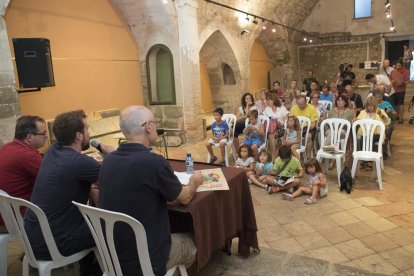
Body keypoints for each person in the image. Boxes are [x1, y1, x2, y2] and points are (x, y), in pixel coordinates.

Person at [99, 106, 203, 275]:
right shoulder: (154, 162)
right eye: (155, 122)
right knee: (195, 237)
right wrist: (194, 182)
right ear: (148, 127)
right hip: (147, 258)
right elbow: (183, 198)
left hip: (113, 254)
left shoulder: (108, 161)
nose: (156, 126)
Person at [25, 110, 114, 275]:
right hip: (56, 244)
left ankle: (89, 269)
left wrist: (92, 186)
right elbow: (116, 185)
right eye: (87, 129)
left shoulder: (52, 151)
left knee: (89, 220)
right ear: (79, 136)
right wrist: (112, 159)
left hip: (33, 239)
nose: (89, 133)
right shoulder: (80, 163)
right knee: (115, 226)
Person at [0, 115, 47, 232]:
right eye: (43, 133)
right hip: (17, 218)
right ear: (30, 137)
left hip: (5, 214)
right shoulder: (27, 156)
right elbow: (54, 177)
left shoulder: (7, 148)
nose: (46, 136)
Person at [355, 97, 390, 170]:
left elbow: (387, 122)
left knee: (368, 138)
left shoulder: (380, 112)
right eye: (368, 105)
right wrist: (355, 120)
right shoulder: (363, 112)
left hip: (377, 134)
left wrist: (381, 115)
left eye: (372, 105)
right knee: (362, 138)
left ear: (375, 105)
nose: (370, 107)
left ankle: (367, 160)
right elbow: (356, 121)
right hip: (364, 134)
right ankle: (366, 160)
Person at [263, 93, 288, 160]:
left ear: (273, 100)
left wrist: (280, 124)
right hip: (270, 129)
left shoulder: (282, 108)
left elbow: (286, 122)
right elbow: (264, 120)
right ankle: (273, 155)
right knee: (271, 135)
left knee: (272, 136)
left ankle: (273, 156)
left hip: (282, 128)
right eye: (267, 100)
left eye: (269, 100)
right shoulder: (267, 109)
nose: (267, 102)